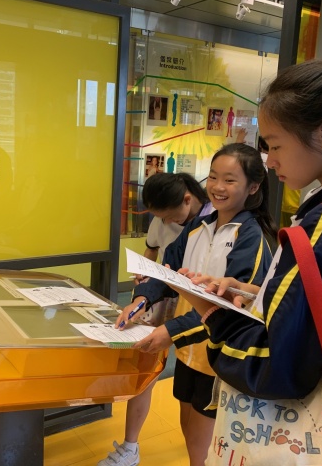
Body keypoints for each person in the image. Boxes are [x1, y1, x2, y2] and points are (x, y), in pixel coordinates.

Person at [177, 55, 322, 463]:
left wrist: (209, 311)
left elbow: (279, 364)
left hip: (319, 418)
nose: (270, 161)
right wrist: (252, 292)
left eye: (275, 145)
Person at [113, 143, 276, 466]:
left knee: (204, 441)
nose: (218, 186)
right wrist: (143, 298)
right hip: (190, 353)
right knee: (190, 428)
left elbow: (232, 308)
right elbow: (167, 271)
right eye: (213, 177)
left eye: (230, 180)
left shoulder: (251, 236)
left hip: (220, 356)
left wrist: (171, 330)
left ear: (253, 187)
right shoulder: (198, 227)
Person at [99, 172, 214, 466]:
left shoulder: (213, 221)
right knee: (146, 368)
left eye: (170, 216)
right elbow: (154, 251)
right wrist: (143, 283)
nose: (166, 222)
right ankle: (130, 446)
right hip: (160, 292)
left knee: (200, 389)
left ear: (187, 200)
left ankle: (205, 454)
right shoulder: (164, 218)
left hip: (198, 304)